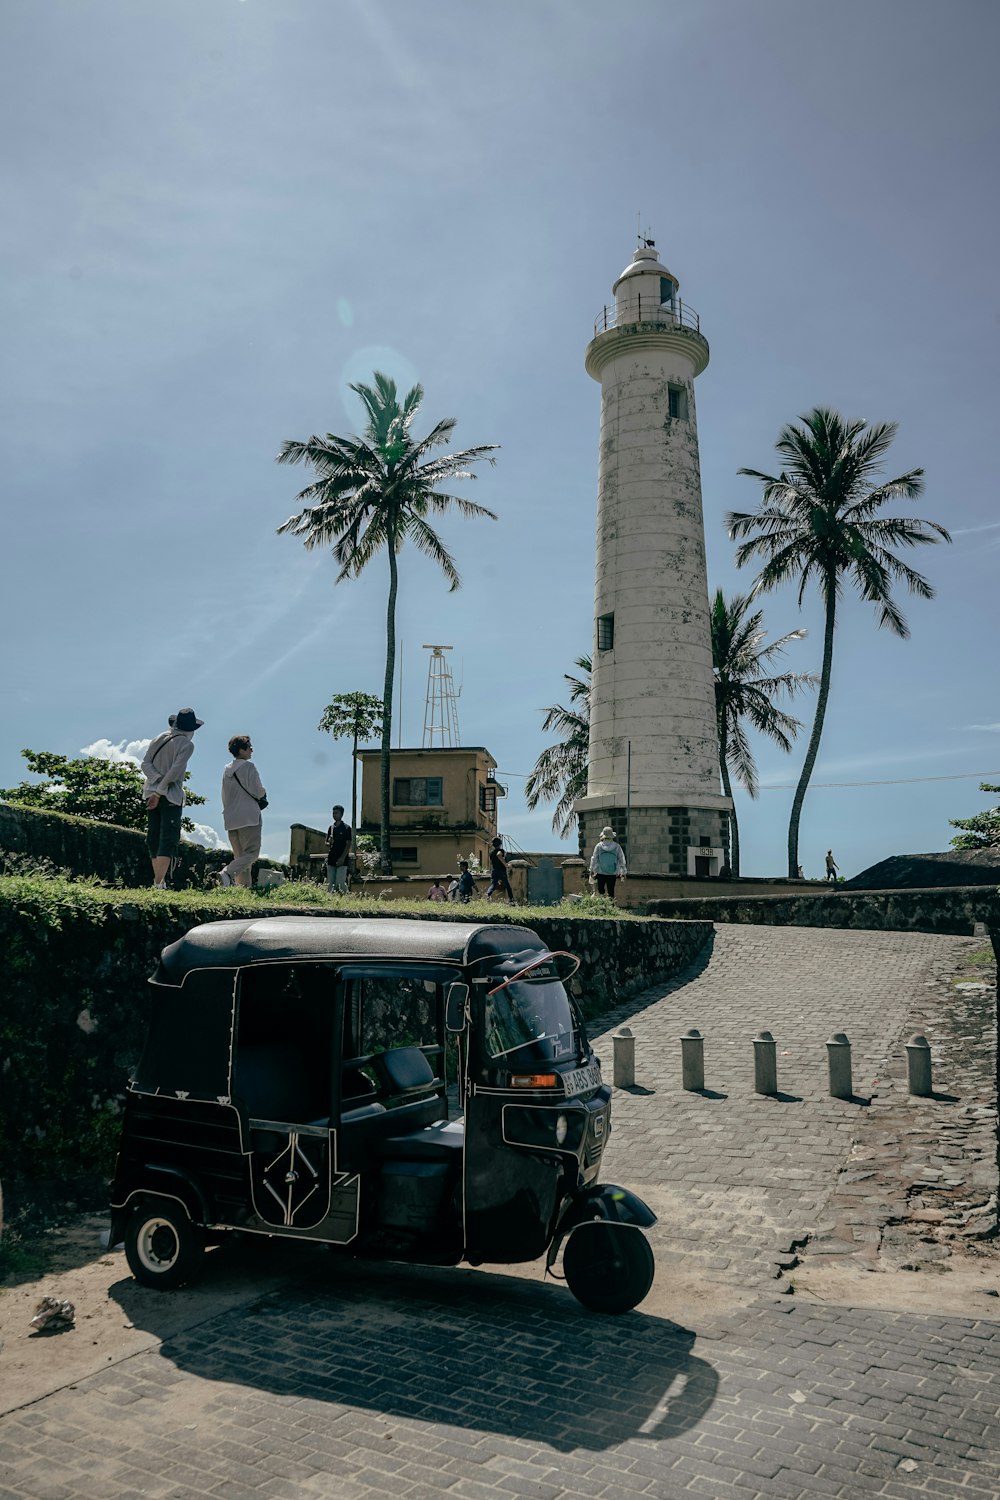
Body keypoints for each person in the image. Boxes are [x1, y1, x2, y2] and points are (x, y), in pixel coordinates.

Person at [141, 707, 203, 889]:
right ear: (191, 729)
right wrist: (161, 790)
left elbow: (145, 764)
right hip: (170, 796)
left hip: (150, 793)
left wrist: (155, 781)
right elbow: (175, 772)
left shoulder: (159, 738)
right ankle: (159, 882)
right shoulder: (186, 745)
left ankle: (158, 881)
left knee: (153, 836)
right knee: (167, 837)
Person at [218, 735, 267, 888]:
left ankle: (243, 888)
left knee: (240, 857)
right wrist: (264, 794)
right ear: (241, 749)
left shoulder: (226, 770)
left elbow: (224, 795)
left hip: (231, 817)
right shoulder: (249, 767)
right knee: (252, 853)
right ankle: (226, 873)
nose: (252, 749)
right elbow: (258, 791)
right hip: (249, 816)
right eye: (249, 746)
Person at [589, 825, 626, 899]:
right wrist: (623, 872)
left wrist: (592, 870)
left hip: (601, 872)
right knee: (611, 892)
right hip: (612, 873)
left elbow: (594, 859)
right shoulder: (616, 846)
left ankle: (601, 905)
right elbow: (621, 859)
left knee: (600, 891)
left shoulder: (599, 846)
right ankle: (611, 906)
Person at [326, 805, 352, 891]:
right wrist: (329, 842)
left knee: (340, 882)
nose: (334, 815)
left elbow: (348, 843)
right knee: (330, 883)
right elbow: (326, 843)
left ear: (341, 814)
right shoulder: (331, 828)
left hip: (342, 858)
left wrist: (342, 857)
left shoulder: (346, 828)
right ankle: (330, 899)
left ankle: (346, 896)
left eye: (336, 813)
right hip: (332, 857)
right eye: (333, 813)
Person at [485, 836, 515, 905]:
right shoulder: (501, 851)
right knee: (507, 886)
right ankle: (512, 900)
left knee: (493, 885)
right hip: (501, 871)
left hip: (494, 871)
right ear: (500, 844)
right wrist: (506, 865)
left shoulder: (491, 853)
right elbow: (499, 855)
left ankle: (487, 895)